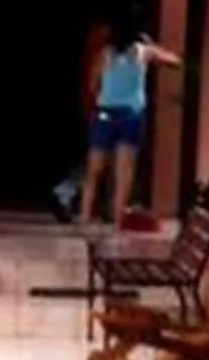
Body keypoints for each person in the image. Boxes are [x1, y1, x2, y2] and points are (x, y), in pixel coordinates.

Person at [78, 16, 183, 231]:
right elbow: (175, 61)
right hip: (130, 114)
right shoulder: (141, 52)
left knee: (96, 168)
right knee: (122, 172)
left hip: (108, 113)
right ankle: (115, 219)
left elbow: (92, 84)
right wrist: (151, 45)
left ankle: (85, 216)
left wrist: (100, 101)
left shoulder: (107, 54)